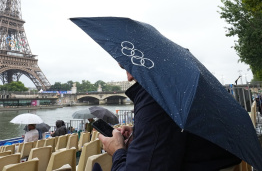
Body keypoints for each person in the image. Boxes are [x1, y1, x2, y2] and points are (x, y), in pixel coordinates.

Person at [99, 66, 242, 171]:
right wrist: (139, 131)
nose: (129, 77)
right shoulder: (180, 89)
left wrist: (117, 150)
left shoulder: (156, 96)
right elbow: (177, 131)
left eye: (129, 67)